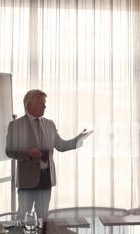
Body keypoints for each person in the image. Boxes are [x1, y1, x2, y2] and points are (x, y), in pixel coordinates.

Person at [6, 89, 91, 220]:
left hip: (46, 178)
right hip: (27, 180)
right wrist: (28, 154)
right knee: (23, 216)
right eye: (41, 103)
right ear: (29, 104)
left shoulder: (50, 124)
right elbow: (9, 151)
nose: (45, 106)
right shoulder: (15, 125)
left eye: (45, 103)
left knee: (43, 218)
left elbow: (61, 146)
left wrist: (77, 140)